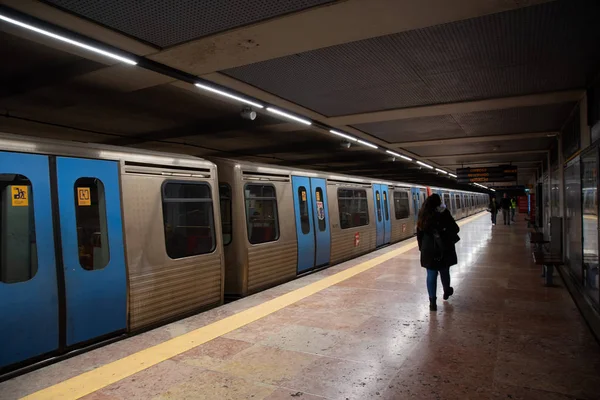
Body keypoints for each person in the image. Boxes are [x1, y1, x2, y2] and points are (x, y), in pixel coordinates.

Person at [417, 194, 460, 311]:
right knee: (444, 271)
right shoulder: (444, 213)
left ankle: (432, 303)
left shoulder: (422, 214)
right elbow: (456, 229)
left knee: (431, 274)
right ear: (438, 203)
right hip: (443, 248)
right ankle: (446, 290)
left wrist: (422, 248)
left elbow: (419, 234)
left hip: (428, 250)